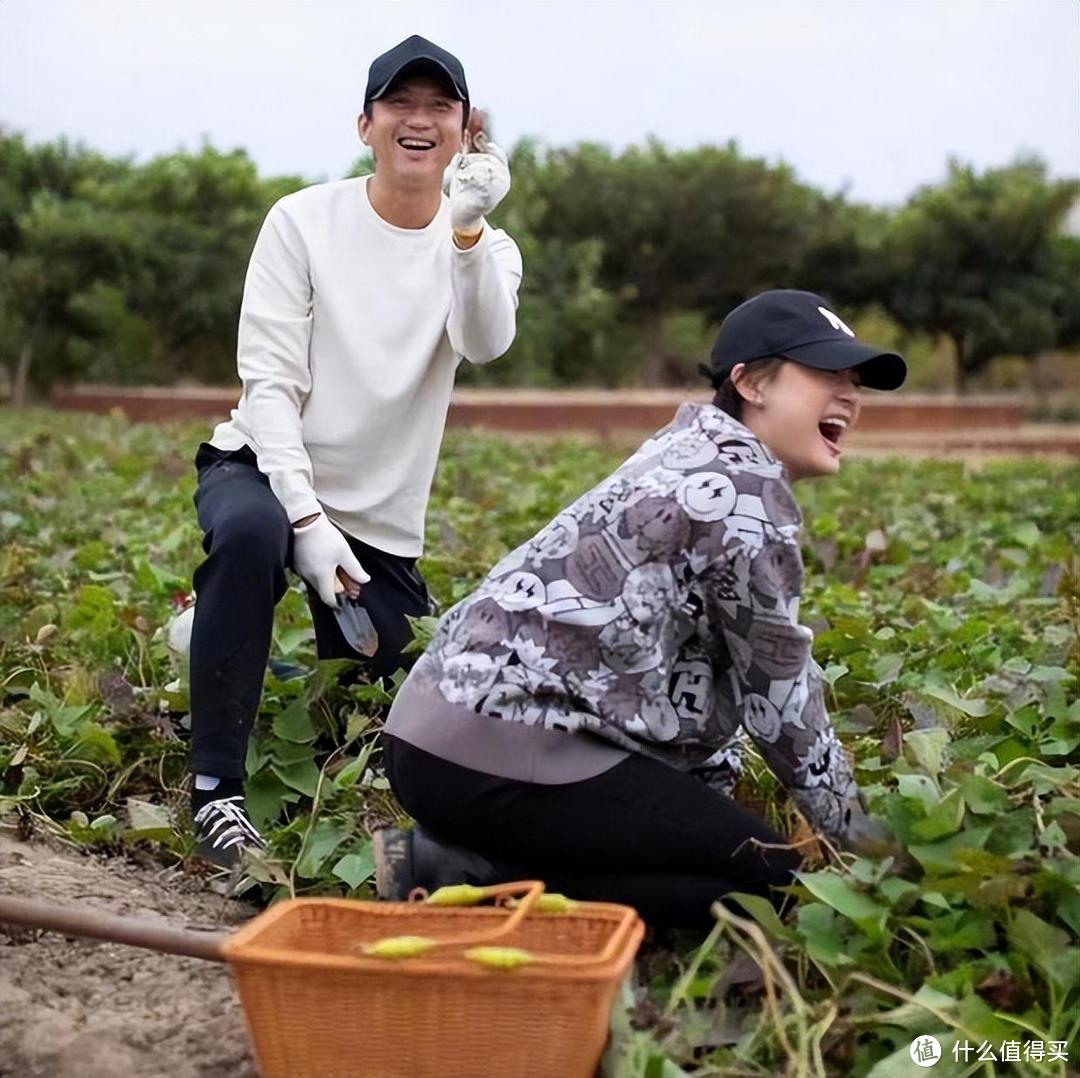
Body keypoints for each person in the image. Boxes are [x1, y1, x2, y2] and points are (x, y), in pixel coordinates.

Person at [375, 290, 906, 928]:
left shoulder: (684, 450)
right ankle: (455, 874)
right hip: (500, 752)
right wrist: (868, 851)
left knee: (706, 851)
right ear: (751, 382)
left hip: (429, 739)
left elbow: (696, 673)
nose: (850, 394)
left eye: (856, 381)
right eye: (826, 373)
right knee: (776, 889)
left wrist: (699, 799)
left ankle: (466, 859)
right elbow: (781, 699)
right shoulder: (738, 494)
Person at [187, 35, 522, 866]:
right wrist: (304, 516)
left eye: (439, 107)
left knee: (384, 714)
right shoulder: (302, 220)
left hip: (379, 517)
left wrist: (469, 232)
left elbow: (484, 343)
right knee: (252, 538)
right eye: (398, 105)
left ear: (466, 130)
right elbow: (269, 384)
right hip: (265, 470)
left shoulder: (486, 247)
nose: (418, 121)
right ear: (365, 124)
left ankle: (210, 636)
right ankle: (215, 794)